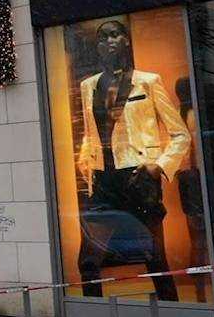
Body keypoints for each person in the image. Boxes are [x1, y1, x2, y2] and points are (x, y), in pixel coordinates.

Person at [75, 20, 190, 301]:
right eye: (103, 37)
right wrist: (85, 163)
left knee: (155, 258)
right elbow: (90, 133)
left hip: (138, 178)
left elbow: (180, 134)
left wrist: (158, 166)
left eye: (115, 35)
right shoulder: (88, 86)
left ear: (126, 40)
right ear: (98, 46)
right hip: (104, 182)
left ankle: (173, 311)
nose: (109, 41)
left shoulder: (148, 82)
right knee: (88, 261)